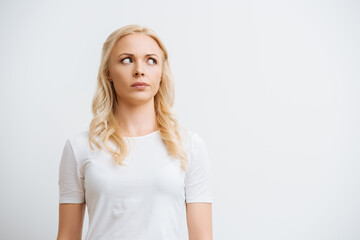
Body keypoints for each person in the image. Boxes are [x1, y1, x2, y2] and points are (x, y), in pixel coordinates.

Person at [57, 24, 213, 240]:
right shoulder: (80, 147)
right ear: (108, 72)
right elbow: (67, 235)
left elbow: (203, 237)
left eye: (151, 60)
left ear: (161, 74)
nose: (140, 70)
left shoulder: (189, 146)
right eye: (127, 59)